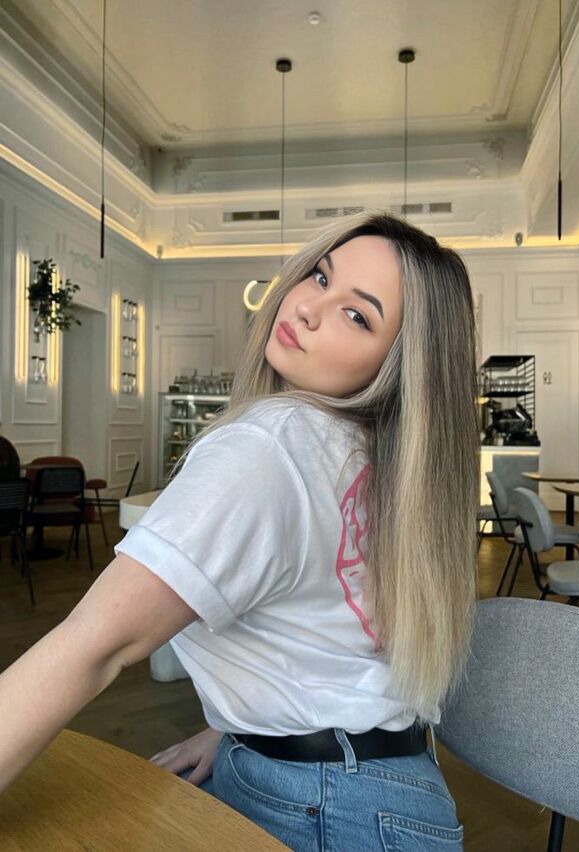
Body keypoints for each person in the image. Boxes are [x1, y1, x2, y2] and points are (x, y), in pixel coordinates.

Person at [0, 211, 478, 850]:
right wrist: (241, 732)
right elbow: (328, 636)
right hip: (397, 790)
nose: (307, 307)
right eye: (319, 276)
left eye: (357, 315)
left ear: (399, 365)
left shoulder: (269, 445)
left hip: (332, 808)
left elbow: (96, 645)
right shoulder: (374, 460)